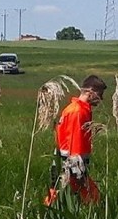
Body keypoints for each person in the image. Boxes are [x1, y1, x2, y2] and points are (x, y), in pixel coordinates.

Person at [45, 75, 107, 206]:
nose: (101, 99)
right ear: (90, 92)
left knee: (56, 198)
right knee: (93, 200)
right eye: (99, 94)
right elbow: (75, 142)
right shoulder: (78, 112)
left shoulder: (75, 109)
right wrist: (78, 171)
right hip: (71, 166)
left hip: (65, 165)